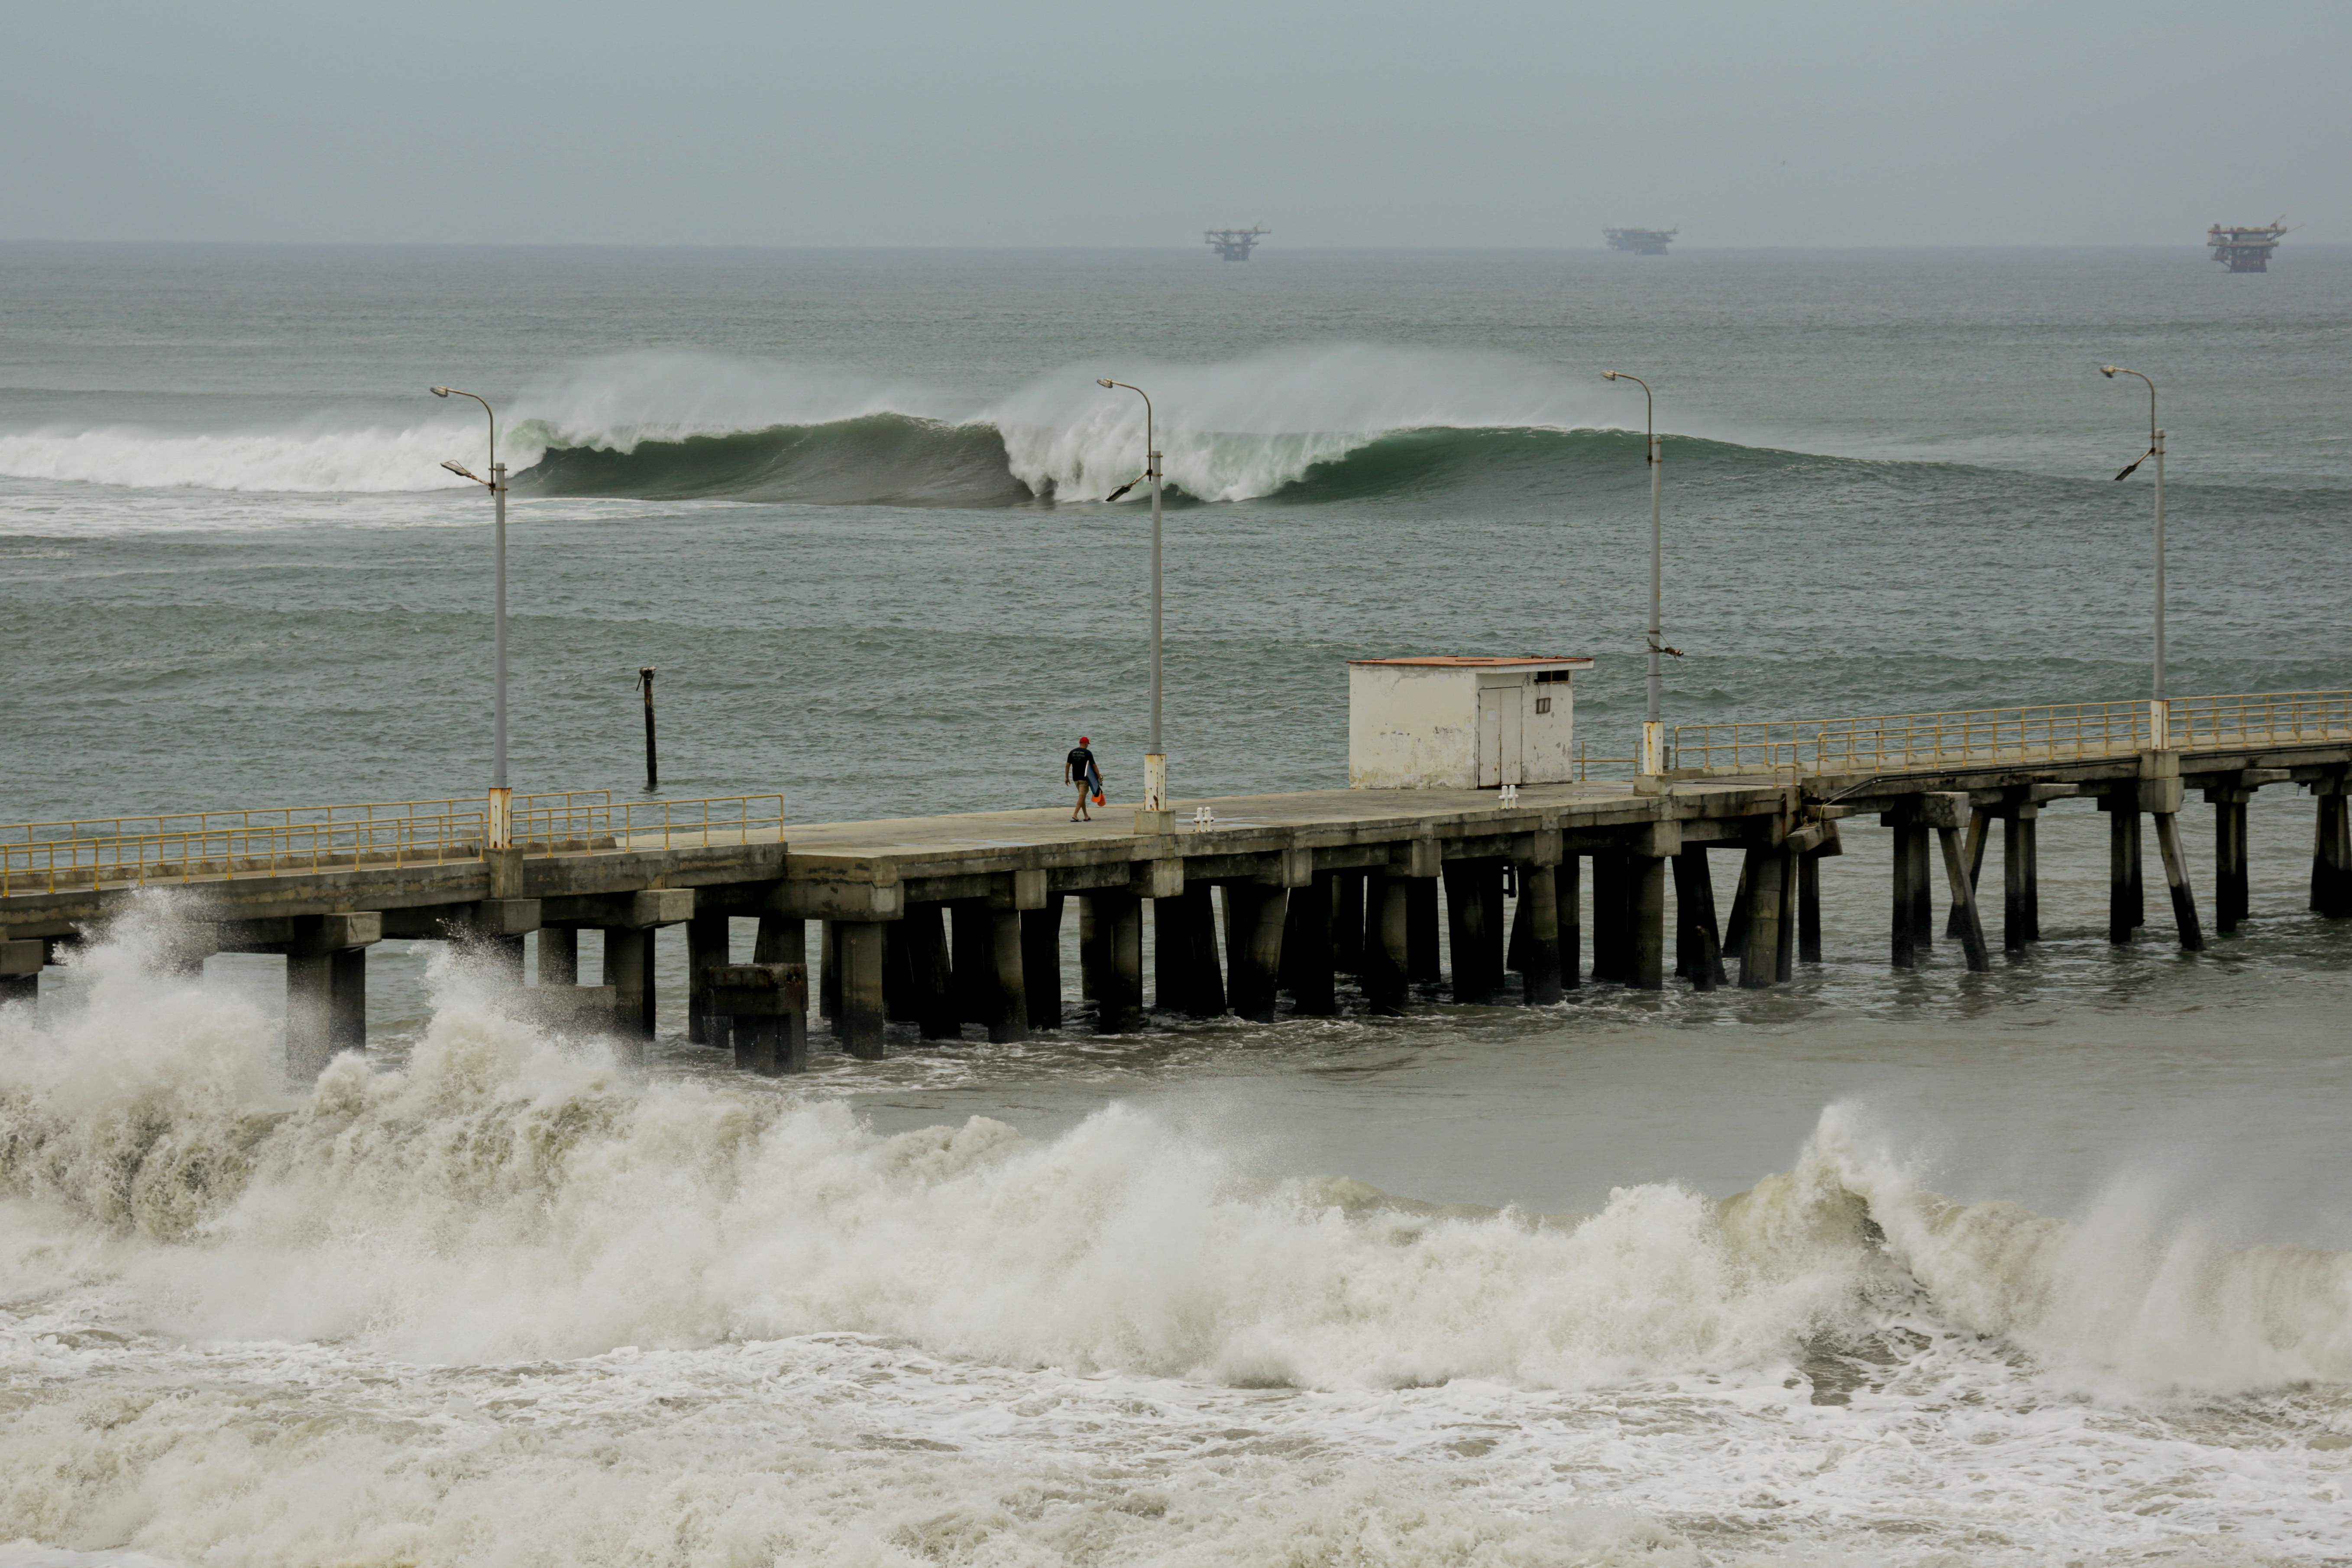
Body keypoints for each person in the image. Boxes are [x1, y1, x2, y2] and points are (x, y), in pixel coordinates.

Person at [1064, 736, 1100, 821]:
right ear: (1085, 743)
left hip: (1075, 779)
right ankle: (1075, 815)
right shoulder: (1088, 753)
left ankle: (1086, 816)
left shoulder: (1072, 752)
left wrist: (1067, 777)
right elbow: (1094, 766)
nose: (1088, 745)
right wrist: (1099, 777)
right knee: (1082, 797)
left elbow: (1068, 766)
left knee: (1082, 797)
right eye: (1088, 744)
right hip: (1084, 779)